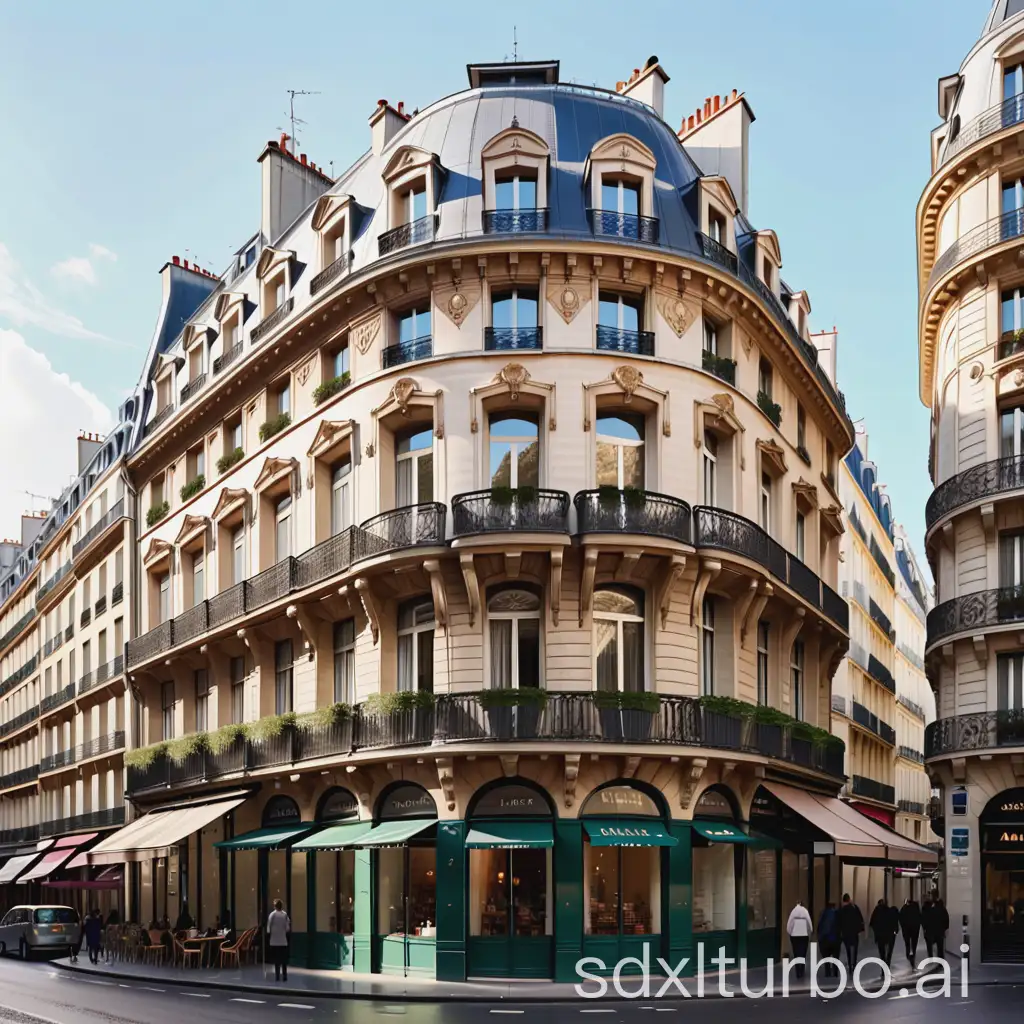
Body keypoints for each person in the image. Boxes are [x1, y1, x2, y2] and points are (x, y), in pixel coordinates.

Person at [786, 900, 813, 978]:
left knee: (796, 953)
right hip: (804, 935)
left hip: (795, 936)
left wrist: (790, 932)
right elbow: (809, 924)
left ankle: (798, 971)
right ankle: (802, 969)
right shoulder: (805, 912)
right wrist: (809, 932)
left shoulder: (793, 912)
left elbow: (789, 924)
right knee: (803, 953)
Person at [838, 893, 864, 970]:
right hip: (854, 932)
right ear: (849, 899)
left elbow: (839, 922)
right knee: (855, 948)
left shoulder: (841, 910)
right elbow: (860, 918)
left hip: (846, 933)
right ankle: (854, 963)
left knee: (848, 949)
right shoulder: (854, 908)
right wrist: (860, 929)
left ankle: (850, 964)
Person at [267, 899, 291, 982]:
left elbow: (268, 928)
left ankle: (277, 976)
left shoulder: (272, 915)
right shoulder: (285, 915)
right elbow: (287, 928)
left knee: (277, 960)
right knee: (284, 960)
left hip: (274, 941)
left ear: (275, 906)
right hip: (283, 941)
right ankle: (284, 976)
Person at [870, 898, 897, 966]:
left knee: (882, 953)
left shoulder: (876, 911)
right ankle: (887, 964)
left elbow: (872, 923)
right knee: (889, 952)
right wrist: (895, 931)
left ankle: (884, 966)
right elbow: (894, 923)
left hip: (880, 936)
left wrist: (876, 932)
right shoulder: (890, 911)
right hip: (889, 935)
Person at [817, 901, 840, 978]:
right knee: (835, 956)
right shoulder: (837, 914)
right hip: (834, 937)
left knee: (826, 956)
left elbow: (819, 926)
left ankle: (827, 972)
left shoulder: (823, 914)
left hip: (825, 938)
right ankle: (835, 972)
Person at [899, 898, 922, 967]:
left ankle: (908, 953)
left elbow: (900, 918)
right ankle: (913, 953)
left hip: (906, 929)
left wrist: (903, 926)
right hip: (915, 928)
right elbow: (920, 917)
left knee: (907, 942)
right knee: (914, 942)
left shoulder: (904, 908)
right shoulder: (916, 908)